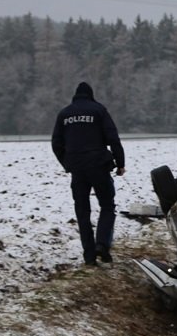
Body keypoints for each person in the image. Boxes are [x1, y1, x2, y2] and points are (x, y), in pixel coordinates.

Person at [52, 81, 125, 266]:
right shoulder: (99, 110)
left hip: (77, 169)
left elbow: (56, 143)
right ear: (91, 95)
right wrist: (120, 163)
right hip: (99, 165)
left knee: (82, 212)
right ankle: (102, 244)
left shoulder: (64, 114)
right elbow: (113, 138)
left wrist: (67, 163)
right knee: (107, 206)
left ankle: (89, 256)